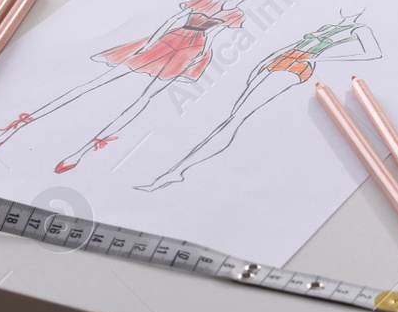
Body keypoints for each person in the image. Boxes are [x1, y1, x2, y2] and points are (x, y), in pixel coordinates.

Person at [0, 0, 265, 172]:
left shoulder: (235, 14)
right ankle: (16, 128)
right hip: (169, 39)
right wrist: (145, 44)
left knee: (145, 98)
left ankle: (82, 151)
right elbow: (169, 21)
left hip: (192, 47)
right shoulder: (209, 0)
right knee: (94, 84)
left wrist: (197, 59)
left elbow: (211, 37)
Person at [138, 10, 380, 191]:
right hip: (277, 63)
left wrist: (321, 61)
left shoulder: (359, 29)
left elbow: (373, 53)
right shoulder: (331, 24)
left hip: (294, 68)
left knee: (235, 119)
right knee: (231, 116)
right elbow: (294, 45)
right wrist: (263, 63)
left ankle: (177, 171)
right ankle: (177, 170)